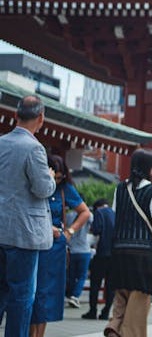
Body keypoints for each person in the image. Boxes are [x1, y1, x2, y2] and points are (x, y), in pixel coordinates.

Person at [0, 96, 56, 337]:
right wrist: (51, 176)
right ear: (41, 118)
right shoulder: (34, 147)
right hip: (24, 234)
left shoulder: (1, 142)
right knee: (22, 297)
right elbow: (43, 188)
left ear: (16, 115)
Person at [105, 147, 152, 337]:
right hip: (142, 253)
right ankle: (130, 333)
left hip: (119, 249)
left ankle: (114, 326)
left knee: (122, 293)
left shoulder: (120, 189)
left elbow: (117, 215)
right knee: (139, 297)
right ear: (150, 169)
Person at [31, 154, 91, 337]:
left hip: (54, 248)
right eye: (53, 177)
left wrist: (69, 232)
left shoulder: (65, 189)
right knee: (29, 293)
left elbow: (85, 212)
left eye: (59, 178)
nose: (56, 181)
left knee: (46, 295)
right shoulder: (34, 184)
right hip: (32, 243)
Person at [83, 198, 116, 320]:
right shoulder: (115, 213)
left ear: (97, 207)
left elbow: (97, 229)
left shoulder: (99, 213)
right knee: (110, 286)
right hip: (114, 255)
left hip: (102, 254)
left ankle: (92, 311)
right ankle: (106, 312)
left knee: (95, 284)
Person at [65, 208, 93, 309]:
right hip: (84, 250)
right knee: (82, 276)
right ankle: (75, 296)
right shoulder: (88, 215)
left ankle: (69, 294)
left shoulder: (69, 216)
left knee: (71, 275)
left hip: (72, 250)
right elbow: (93, 227)